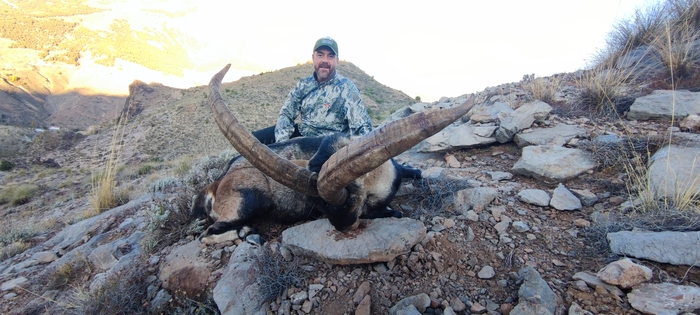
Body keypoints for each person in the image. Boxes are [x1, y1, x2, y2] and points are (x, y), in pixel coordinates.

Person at [252, 37, 373, 144]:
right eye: (320, 55)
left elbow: (362, 127)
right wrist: (282, 144)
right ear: (313, 57)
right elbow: (286, 115)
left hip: (330, 143)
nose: (325, 60)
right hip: (303, 136)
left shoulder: (348, 88)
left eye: (330, 56)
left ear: (337, 60)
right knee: (253, 140)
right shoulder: (303, 85)